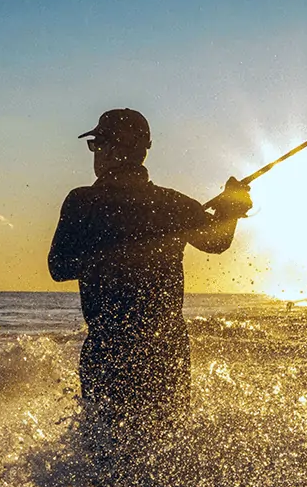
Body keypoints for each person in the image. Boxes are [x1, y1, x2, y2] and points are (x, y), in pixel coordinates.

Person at [48, 108, 251, 427]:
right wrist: (232, 207)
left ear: (114, 149)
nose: (95, 155)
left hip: (108, 350)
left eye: (96, 145)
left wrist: (104, 256)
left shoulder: (82, 202)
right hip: (165, 350)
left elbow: (58, 266)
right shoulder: (174, 204)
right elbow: (217, 242)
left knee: (105, 453)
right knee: (166, 442)